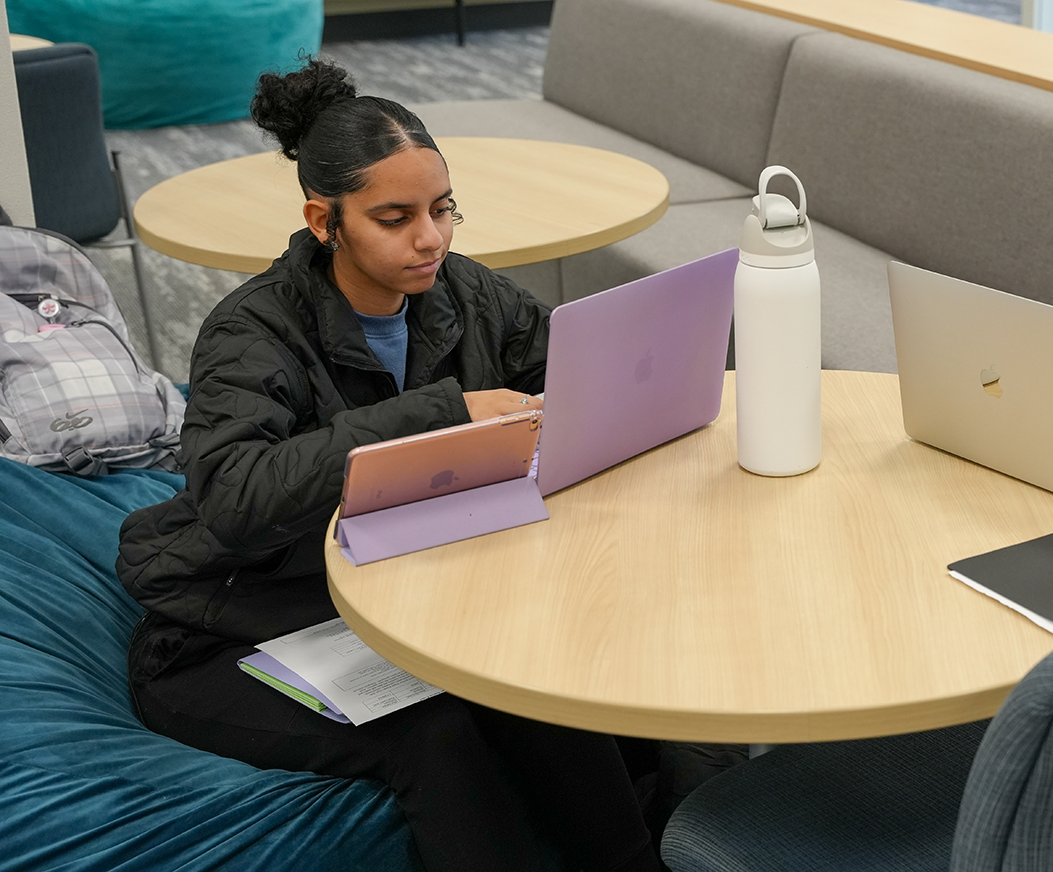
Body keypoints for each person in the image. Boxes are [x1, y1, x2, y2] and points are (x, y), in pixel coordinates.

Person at [117, 60, 658, 872]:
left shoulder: (462, 292)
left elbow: (569, 372)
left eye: (443, 209)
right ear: (324, 219)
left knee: (534, 684)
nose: (431, 237)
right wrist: (442, 411)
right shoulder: (250, 332)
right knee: (438, 733)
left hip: (387, 604)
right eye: (395, 217)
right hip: (235, 628)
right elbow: (235, 497)